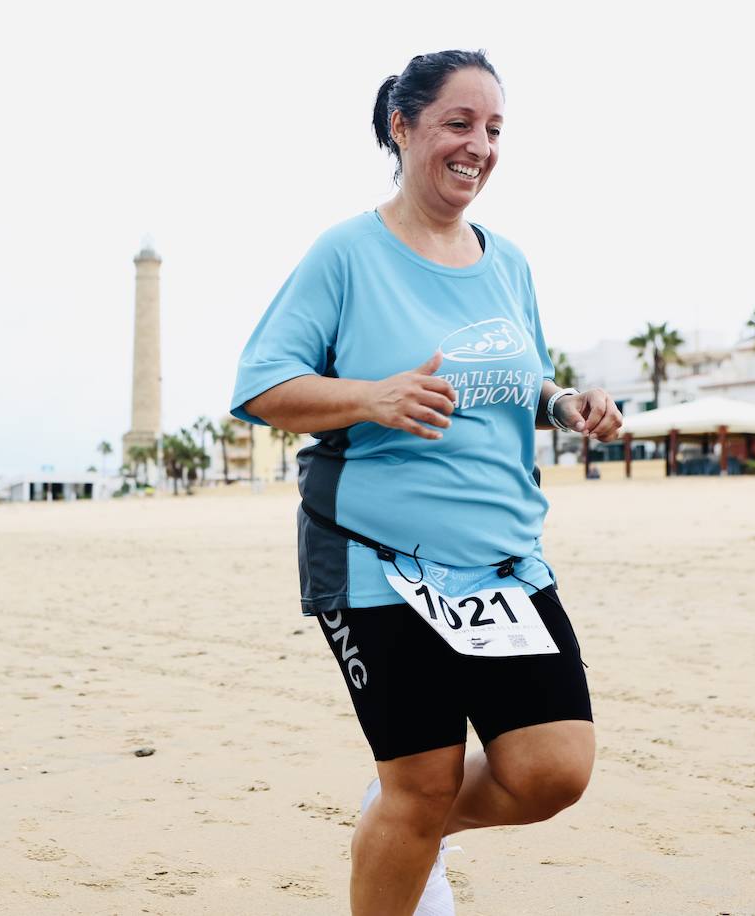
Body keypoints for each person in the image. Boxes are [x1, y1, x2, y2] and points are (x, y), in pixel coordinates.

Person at [230, 50, 623, 915]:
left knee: (553, 770)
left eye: (492, 129)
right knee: (421, 779)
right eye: (458, 123)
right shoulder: (345, 254)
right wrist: (371, 396)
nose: (477, 145)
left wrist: (569, 404)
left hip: (503, 563)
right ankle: (409, 819)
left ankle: (412, 821)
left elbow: (526, 379)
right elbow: (260, 387)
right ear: (402, 128)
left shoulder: (507, 261)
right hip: (376, 559)